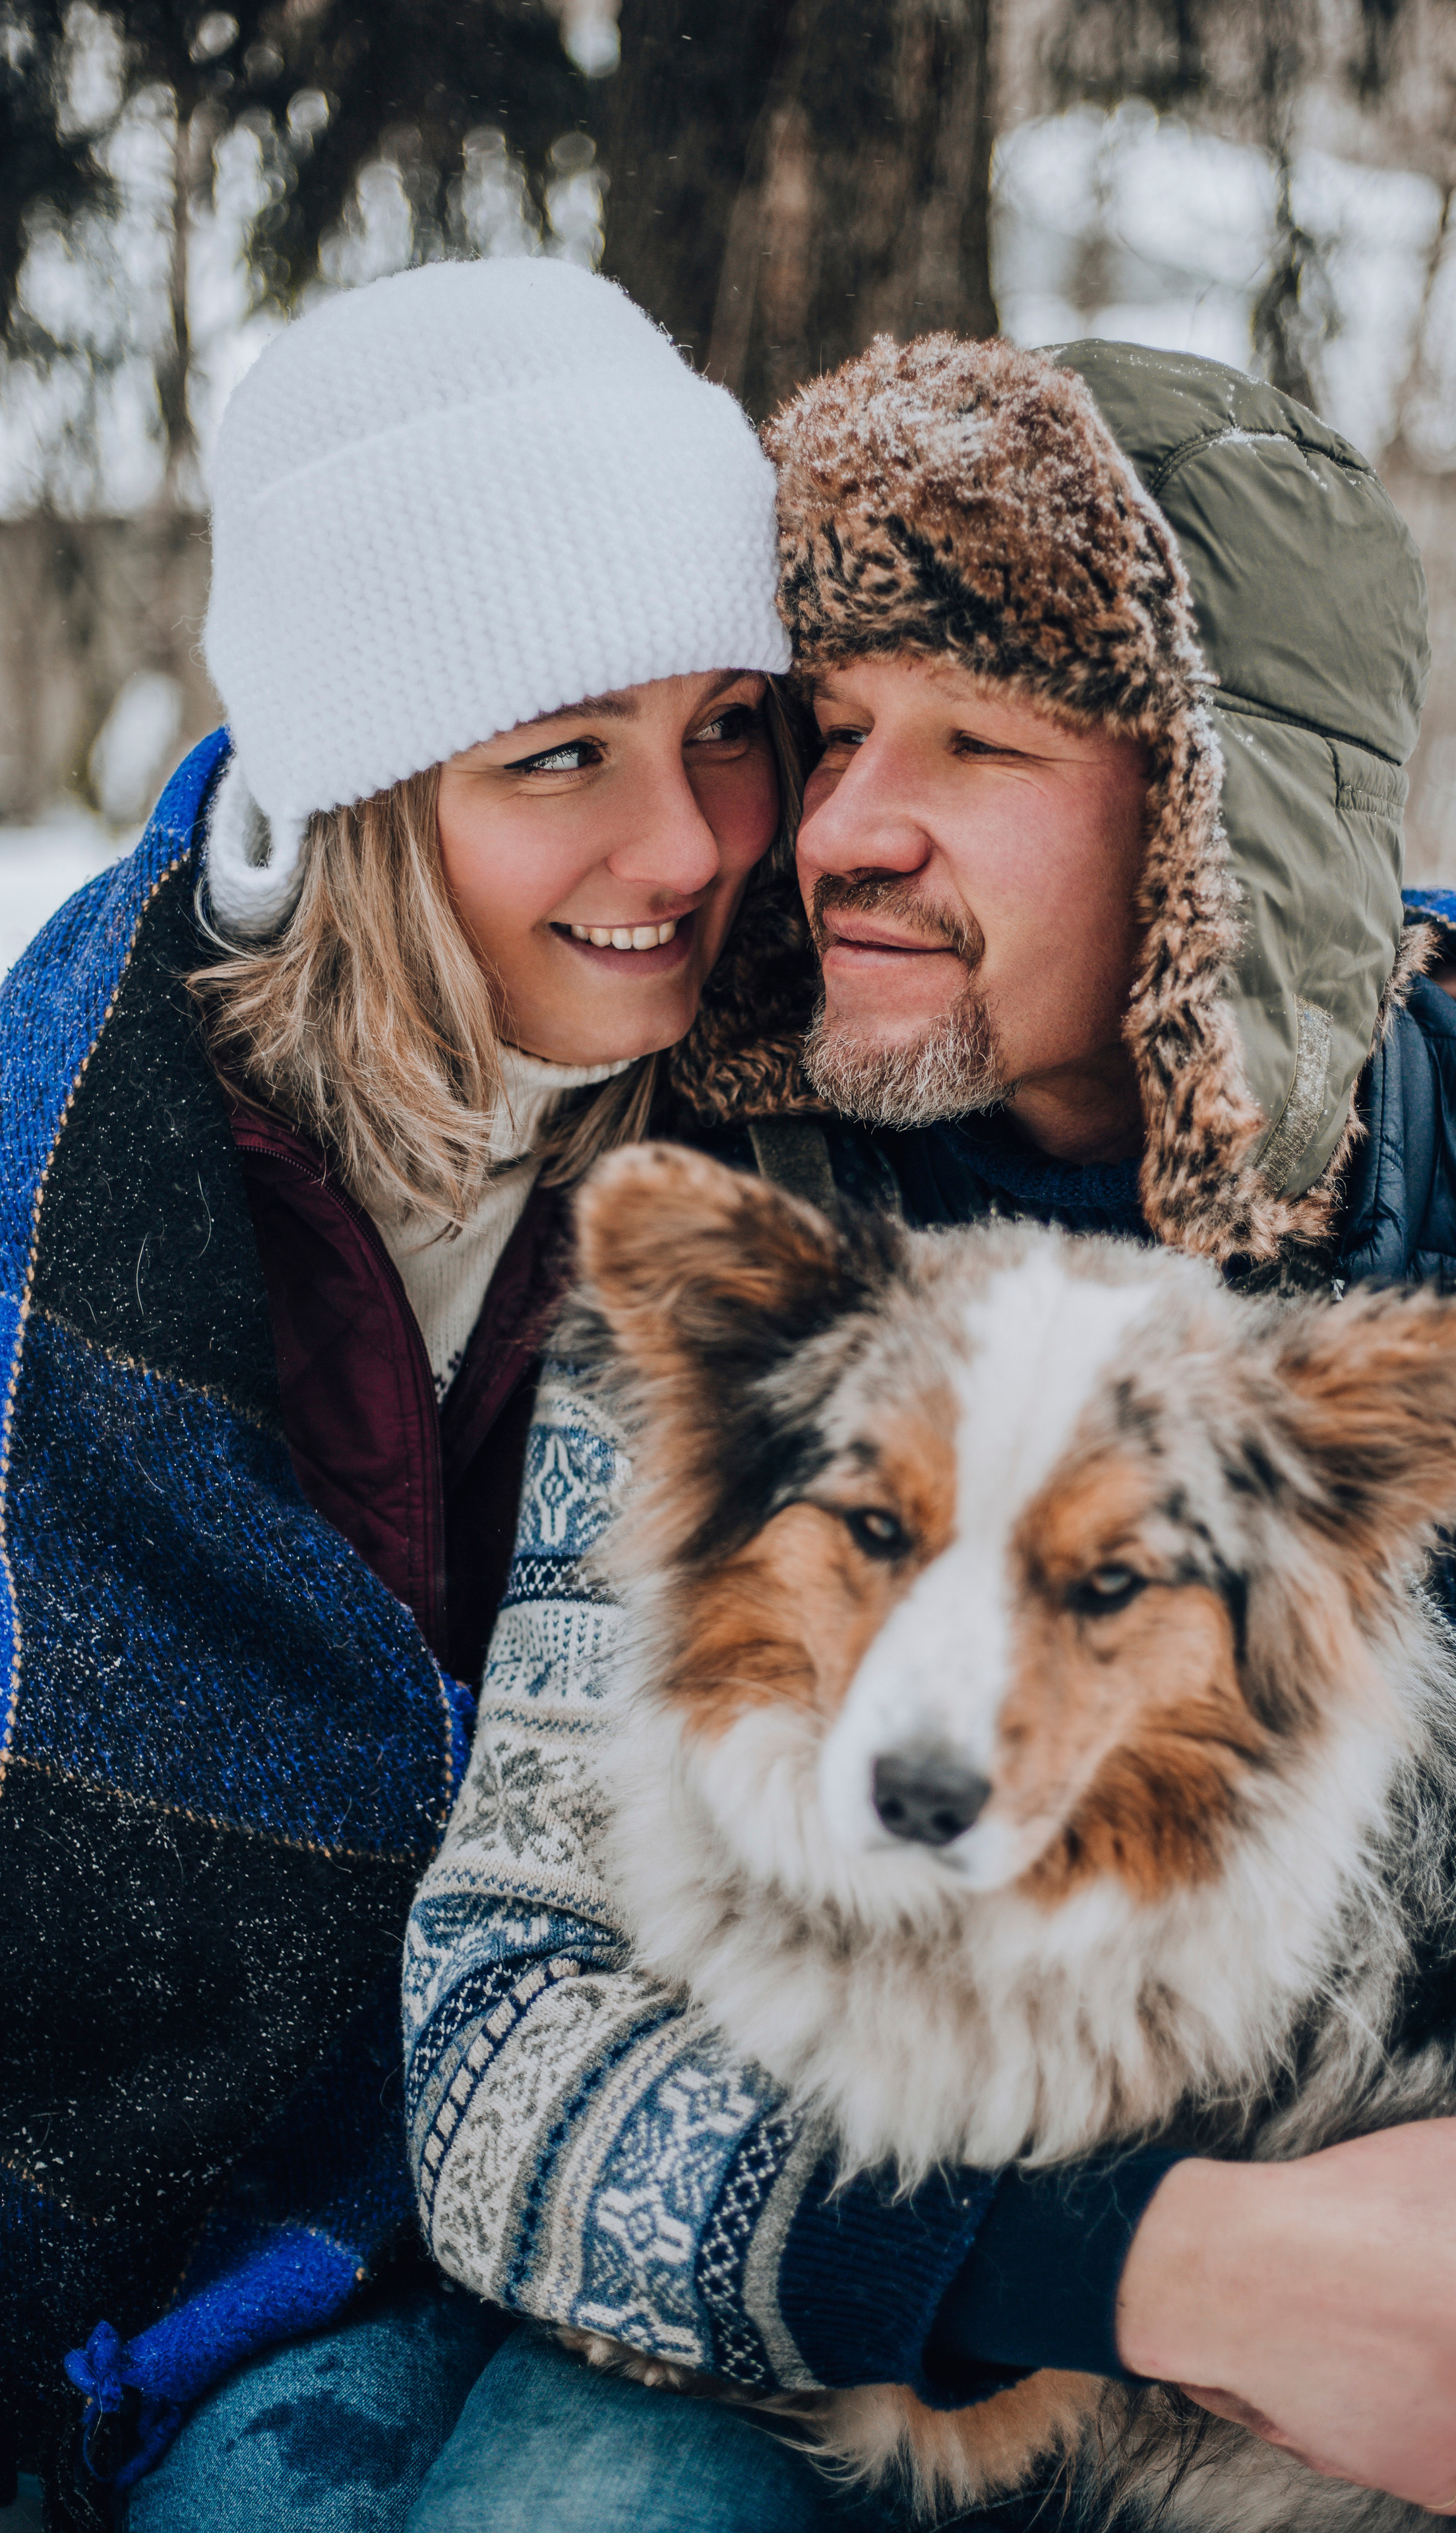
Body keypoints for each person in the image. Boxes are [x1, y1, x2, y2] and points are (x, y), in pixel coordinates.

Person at [402, 333, 1456, 2532]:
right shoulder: (746, 1257)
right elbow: (499, 2038)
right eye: (826, 731)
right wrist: (1154, 2271)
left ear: (1215, 806)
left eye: (976, 741)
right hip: (890, 2317)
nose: (838, 832)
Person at [0, 252, 820, 2532]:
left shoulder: (759, 1097)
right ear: (361, 795)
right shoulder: (92, 1158)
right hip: (196, 2227)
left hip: (634, 2164)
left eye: (725, 724)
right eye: (561, 756)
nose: (687, 846)